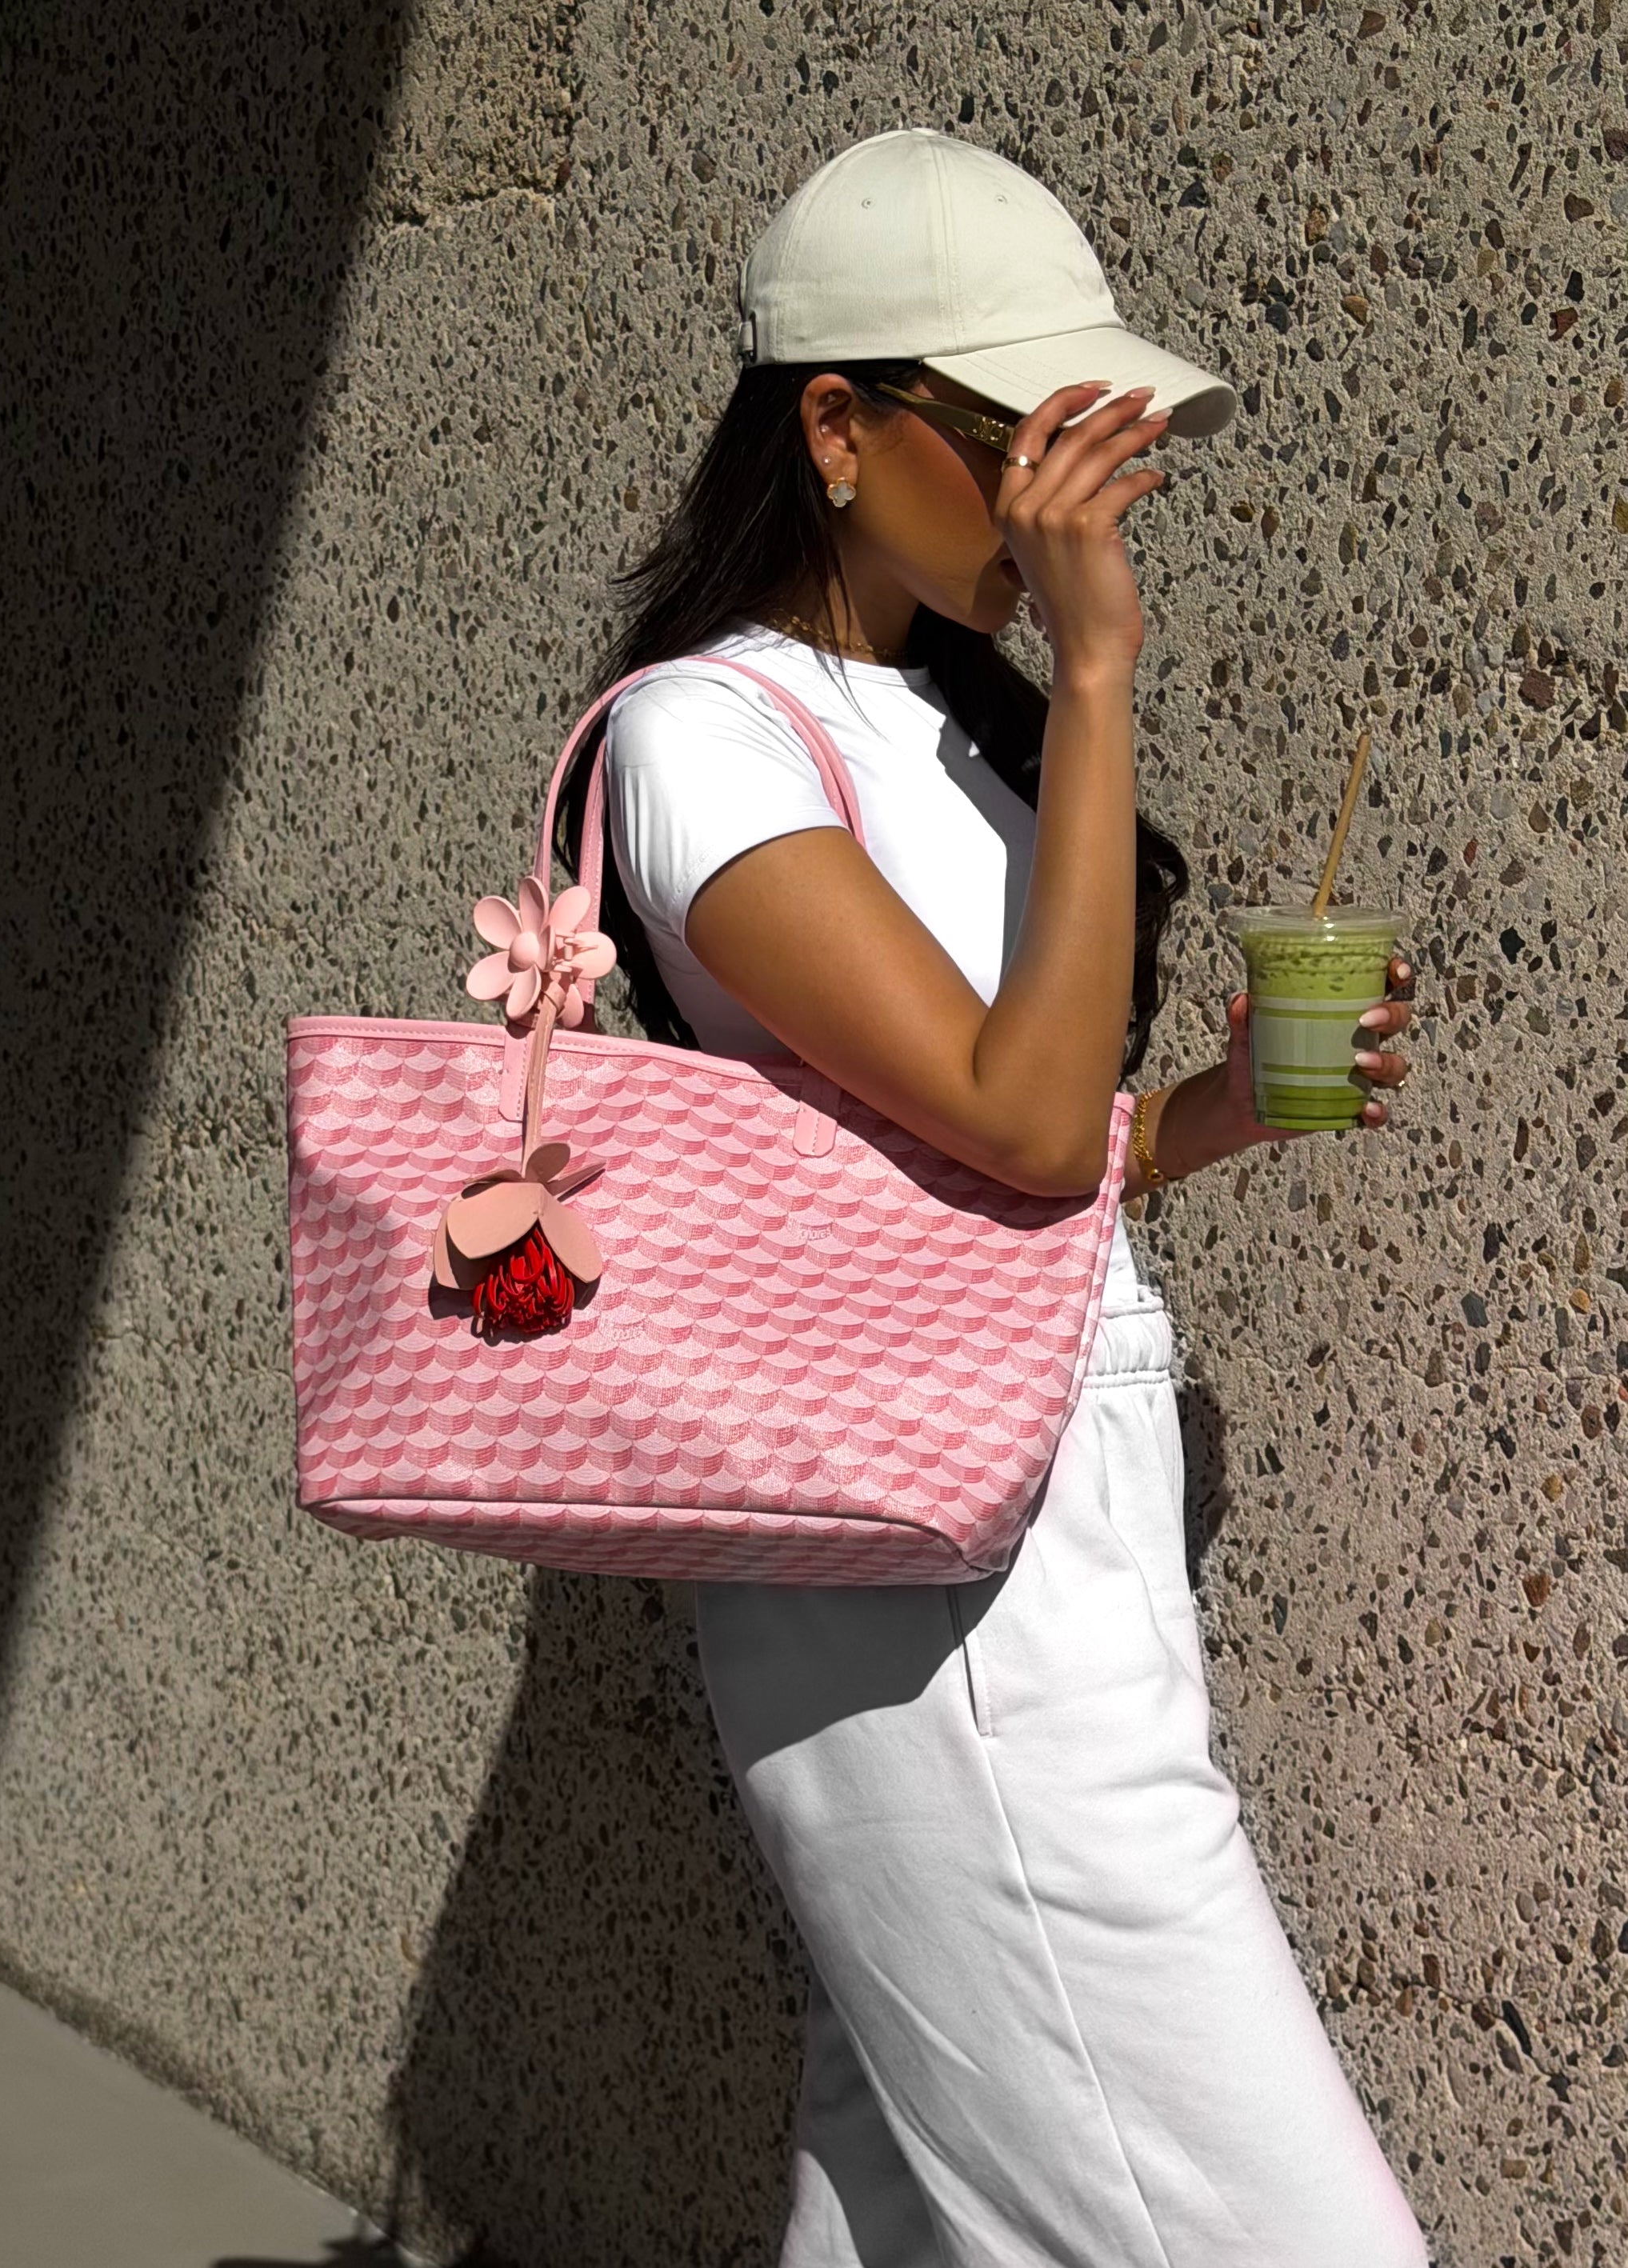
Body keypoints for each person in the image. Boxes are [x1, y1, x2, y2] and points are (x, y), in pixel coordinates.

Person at [553, 128, 1430, 2268]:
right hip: (938, 1589)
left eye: (1093, 444)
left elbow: (982, 1160)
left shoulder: (942, 734)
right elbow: (1017, 1127)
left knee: (911, 2196)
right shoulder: (703, 736)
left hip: (1032, 1548)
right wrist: (1107, 674)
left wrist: (1215, 1107)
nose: (1077, 492)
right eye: (1025, 434)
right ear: (835, 429)